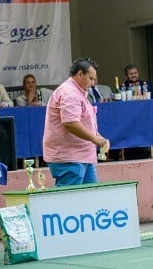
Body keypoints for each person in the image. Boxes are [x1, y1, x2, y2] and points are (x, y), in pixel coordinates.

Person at [42, 58, 110, 187]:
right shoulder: (69, 93)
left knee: (90, 199)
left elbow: (83, 122)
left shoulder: (77, 92)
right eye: (91, 78)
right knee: (69, 202)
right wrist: (94, 139)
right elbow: (71, 123)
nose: (93, 83)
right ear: (80, 74)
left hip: (81, 156)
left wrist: (98, 136)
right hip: (69, 158)